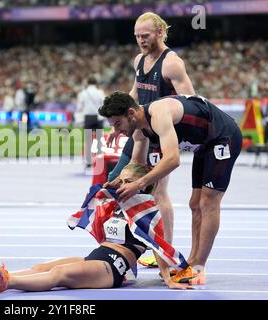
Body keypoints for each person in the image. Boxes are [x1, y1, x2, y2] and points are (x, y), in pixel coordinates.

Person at [0, 163, 192, 293]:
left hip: (111, 267)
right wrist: (110, 188)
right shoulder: (118, 203)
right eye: (119, 179)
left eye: (125, 181)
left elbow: (158, 246)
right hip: (96, 257)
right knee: (43, 266)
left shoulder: (147, 212)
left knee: (58, 275)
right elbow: (96, 202)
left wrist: (168, 277)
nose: (119, 183)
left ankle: (7, 281)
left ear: (140, 184)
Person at [98, 92, 242, 285]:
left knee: (208, 202)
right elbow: (135, 163)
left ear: (131, 113)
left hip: (223, 137)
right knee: (194, 204)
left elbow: (173, 160)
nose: (117, 130)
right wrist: (121, 180)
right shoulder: (139, 130)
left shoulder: (159, 114)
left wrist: (139, 184)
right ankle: (192, 261)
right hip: (203, 144)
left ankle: (198, 267)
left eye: (117, 124)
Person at [107, 12, 195, 268]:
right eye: (136, 36)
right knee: (116, 181)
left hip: (160, 136)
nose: (141, 41)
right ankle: (128, 244)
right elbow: (134, 95)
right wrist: (119, 122)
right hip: (138, 132)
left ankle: (165, 252)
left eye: (145, 35)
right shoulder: (139, 60)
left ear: (160, 32)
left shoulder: (172, 64)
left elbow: (192, 103)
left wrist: (173, 138)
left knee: (159, 192)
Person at [76, 76, 106, 170]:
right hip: (98, 117)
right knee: (99, 141)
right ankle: (99, 161)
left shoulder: (83, 93)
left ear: (87, 83)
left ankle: (88, 162)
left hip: (88, 117)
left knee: (88, 141)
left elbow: (79, 107)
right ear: (96, 83)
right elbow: (104, 104)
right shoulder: (100, 92)